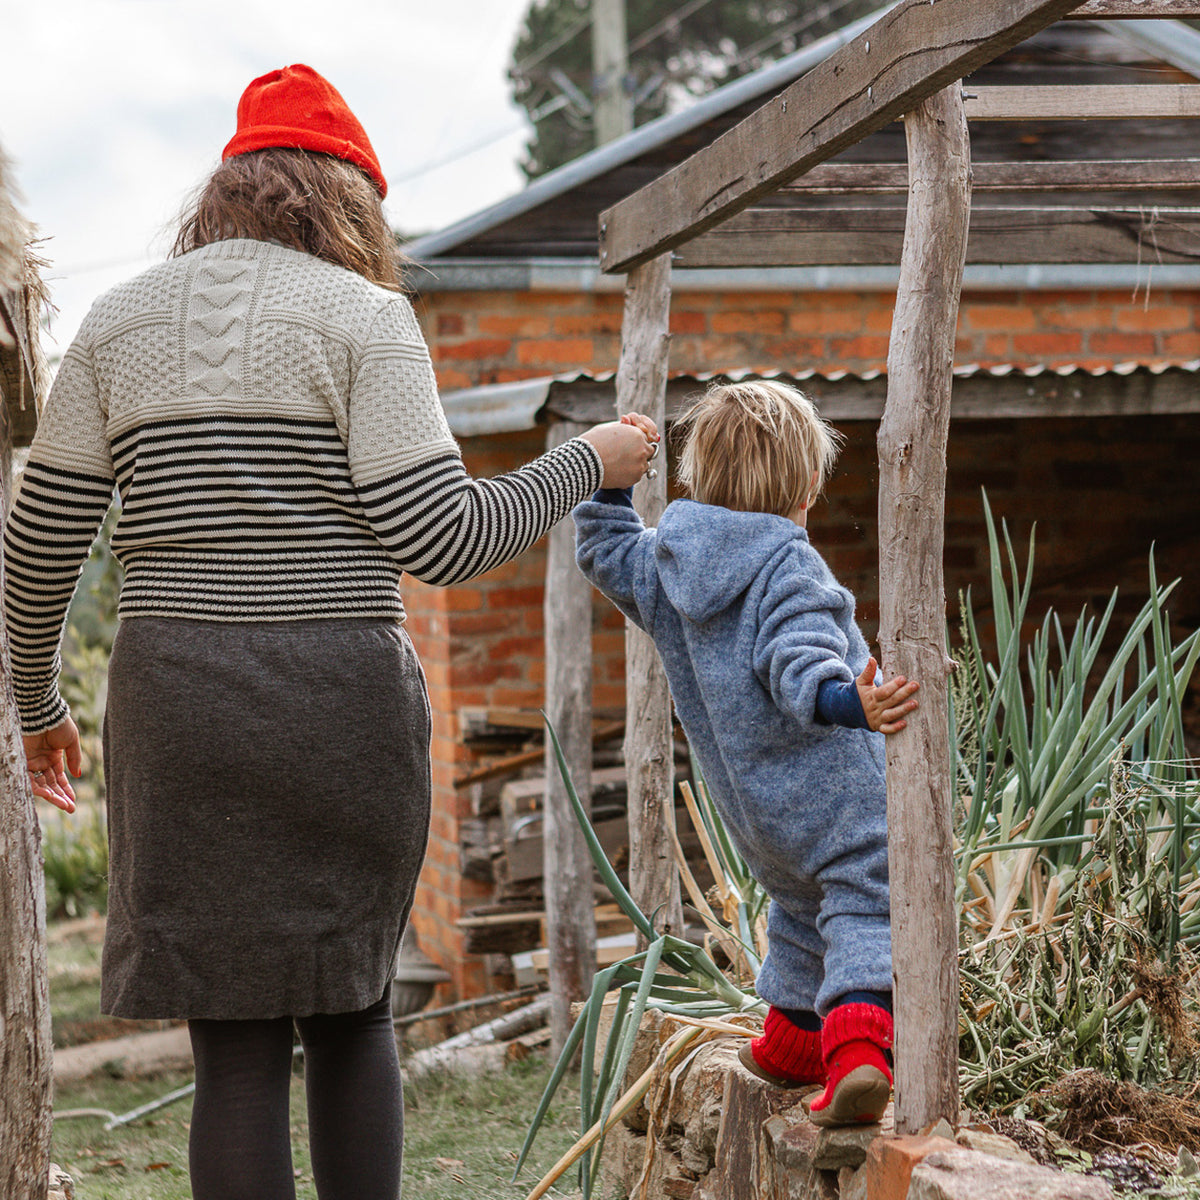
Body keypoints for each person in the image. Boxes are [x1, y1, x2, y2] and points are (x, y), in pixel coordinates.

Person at [5, 64, 658, 1200]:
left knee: (233, 1047)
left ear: (228, 189)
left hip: (180, 708)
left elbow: (38, 541)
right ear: (346, 199)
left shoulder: (116, 323)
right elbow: (442, 538)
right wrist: (585, 463)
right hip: (339, 707)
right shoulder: (367, 318)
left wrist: (38, 704)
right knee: (355, 1014)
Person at [573, 381, 919, 1127]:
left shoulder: (668, 566)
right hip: (837, 798)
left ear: (697, 476)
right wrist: (849, 700)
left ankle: (794, 1042)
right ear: (808, 486)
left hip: (755, 815)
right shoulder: (788, 566)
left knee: (799, 910)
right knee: (865, 898)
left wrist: (609, 483)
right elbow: (803, 659)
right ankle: (859, 1054)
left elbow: (606, 552)